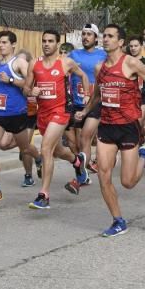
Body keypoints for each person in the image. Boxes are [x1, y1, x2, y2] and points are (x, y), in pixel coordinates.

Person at [74, 24, 145, 237]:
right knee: (104, 175)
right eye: (104, 36)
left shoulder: (131, 63)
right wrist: (86, 110)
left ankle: (144, 158)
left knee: (128, 182)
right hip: (106, 125)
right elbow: (98, 93)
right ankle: (118, 220)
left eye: (110, 36)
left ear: (121, 42)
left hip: (128, 126)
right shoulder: (100, 67)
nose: (105, 39)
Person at [27, 30, 91, 210]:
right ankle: (77, 161)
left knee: (46, 148)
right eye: (44, 41)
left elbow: (84, 76)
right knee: (57, 151)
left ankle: (44, 195)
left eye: (50, 41)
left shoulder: (65, 63)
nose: (46, 44)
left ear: (57, 44)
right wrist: (31, 92)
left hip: (60, 112)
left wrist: (86, 95)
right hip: (43, 114)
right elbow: (26, 87)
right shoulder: (35, 63)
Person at [0, 31, 42, 207]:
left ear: (13, 45)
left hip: (17, 113)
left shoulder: (19, 62)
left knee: (25, 148)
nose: (1, 45)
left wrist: (9, 80)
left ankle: (38, 158)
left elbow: (30, 84)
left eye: (5, 42)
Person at [67, 24, 107, 175]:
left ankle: (82, 173)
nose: (85, 37)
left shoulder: (103, 55)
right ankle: (85, 162)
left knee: (86, 137)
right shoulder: (74, 55)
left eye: (89, 34)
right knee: (76, 142)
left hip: (95, 101)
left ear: (96, 38)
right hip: (76, 102)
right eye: (83, 34)